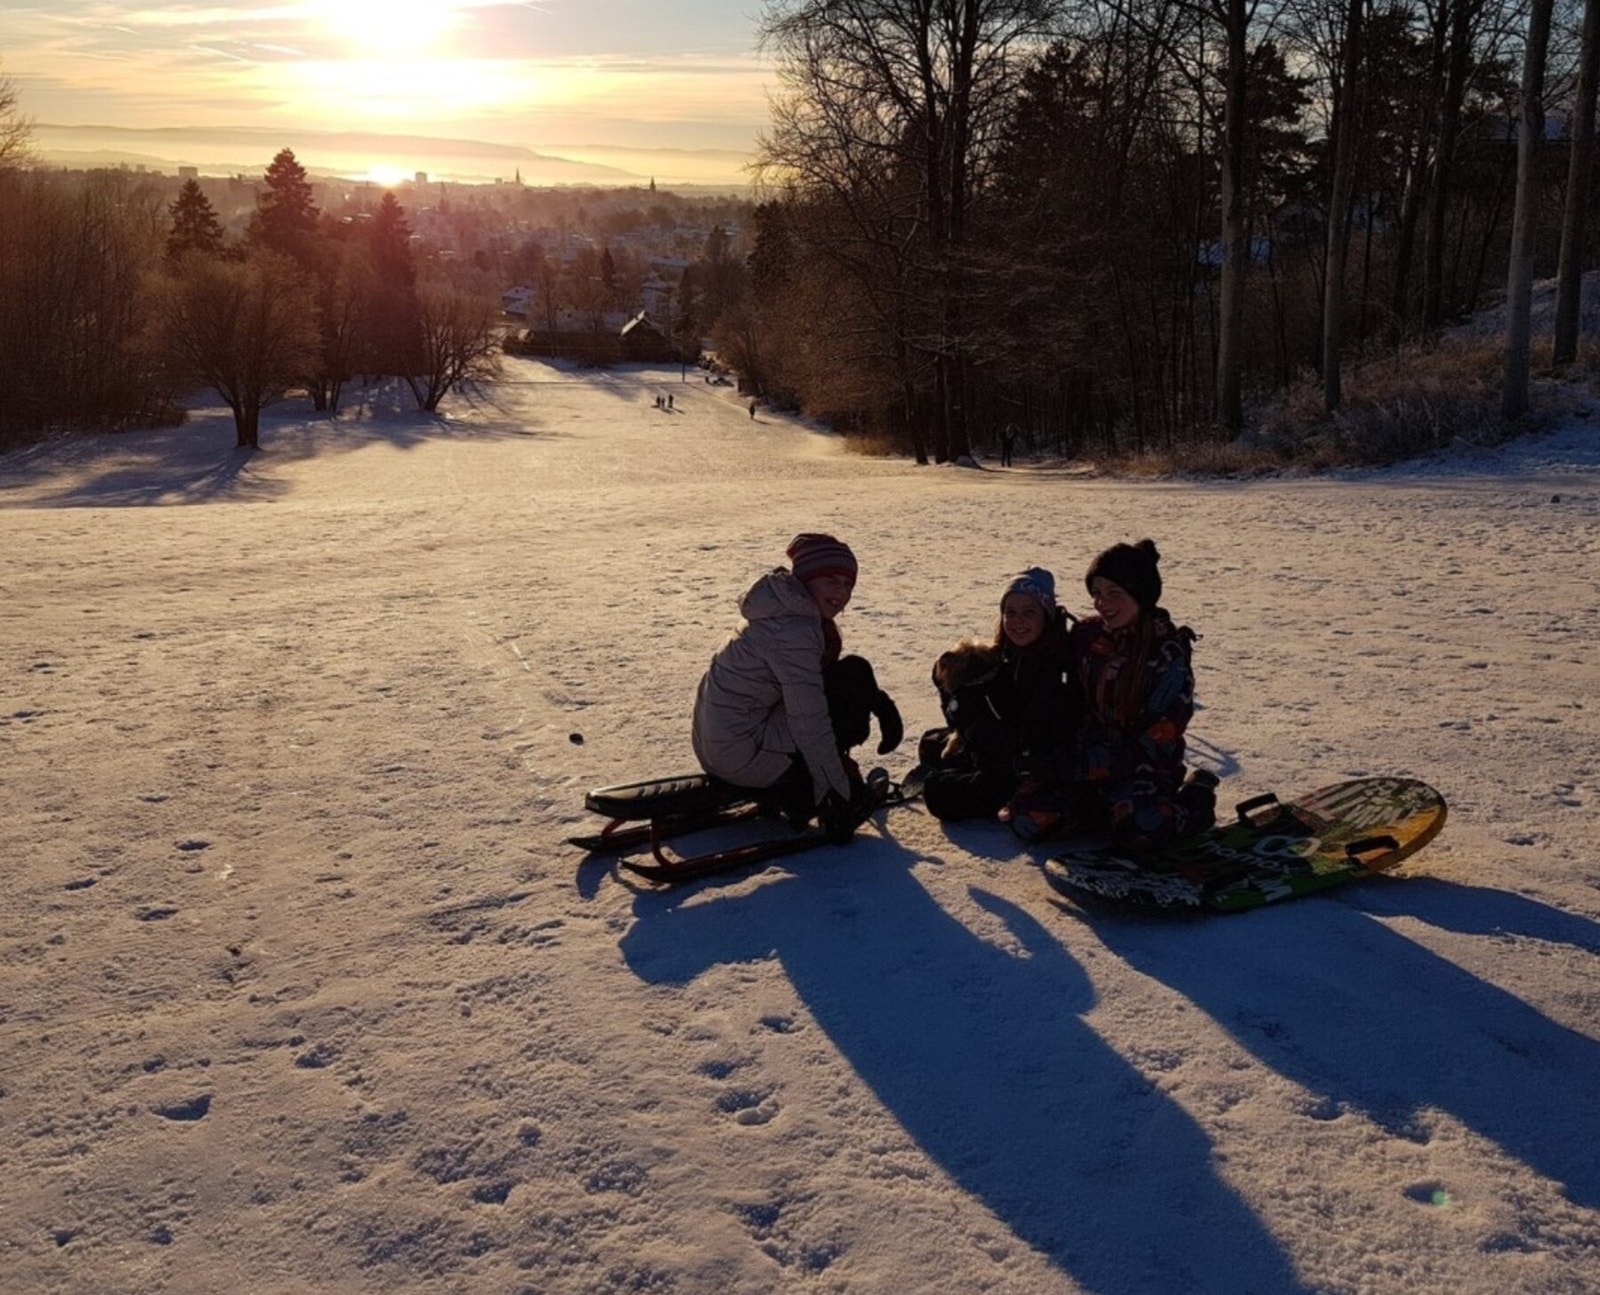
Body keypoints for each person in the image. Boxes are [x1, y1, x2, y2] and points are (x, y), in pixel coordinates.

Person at [1005, 539, 1216, 852]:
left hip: (1142, 767)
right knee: (1026, 817)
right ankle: (1106, 813)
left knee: (1139, 830)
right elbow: (1043, 654)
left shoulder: (1167, 654)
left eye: (1114, 593)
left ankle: (1194, 802)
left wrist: (1079, 764)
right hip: (1086, 761)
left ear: (1141, 595)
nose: (1103, 603)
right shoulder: (1087, 636)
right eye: (1097, 594)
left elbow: (1153, 740)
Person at [691, 533, 904, 844]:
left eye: (847, 584)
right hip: (744, 757)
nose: (841, 592)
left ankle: (806, 783)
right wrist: (838, 791)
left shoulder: (780, 610)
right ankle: (814, 790)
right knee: (852, 676)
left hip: (720, 750)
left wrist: (880, 703)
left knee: (845, 676)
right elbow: (810, 718)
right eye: (830, 579)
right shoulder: (794, 629)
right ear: (805, 580)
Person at [921, 568, 1081, 823]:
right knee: (930, 744)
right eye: (1010, 613)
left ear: (1046, 615)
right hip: (997, 746)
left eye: (1029, 613)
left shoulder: (1053, 664)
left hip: (1026, 766)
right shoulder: (1011, 652)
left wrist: (982, 737)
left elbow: (1034, 733)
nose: (1018, 621)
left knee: (937, 793)